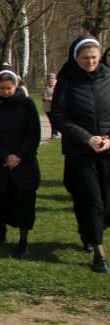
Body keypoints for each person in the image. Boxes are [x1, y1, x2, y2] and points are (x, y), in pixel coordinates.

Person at [50, 36, 110, 273]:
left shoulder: (108, 77)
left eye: (94, 57)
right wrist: (87, 138)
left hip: (107, 150)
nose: (90, 62)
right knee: (92, 200)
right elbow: (58, 116)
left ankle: (88, 231)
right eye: (85, 58)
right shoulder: (67, 81)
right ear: (76, 58)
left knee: (106, 201)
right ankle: (99, 255)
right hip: (79, 151)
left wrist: (108, 139)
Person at [0, 66, 41, 258]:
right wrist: (3, 156)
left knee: (24, 202)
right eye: (2, 88)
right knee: (0, 199)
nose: (5, 92)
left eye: (9, 88)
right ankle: (2, 228)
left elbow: (33, 133)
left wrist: (18, 155)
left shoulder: (27, 104)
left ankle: (23, 241)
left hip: (23, 163)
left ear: (16, 87)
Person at [41, 73, 58, 139]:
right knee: (51, 120)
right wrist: (44, 98)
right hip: (47, 107)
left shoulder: (58, 86)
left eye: (52, 78)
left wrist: (51, 98)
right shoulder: (45, 87)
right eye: (49, 78)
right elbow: (41, 95)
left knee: (54, 120)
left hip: (55, 106)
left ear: (55, 79)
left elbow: (60, 96)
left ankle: (54, 133)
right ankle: (55, 132)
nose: (50, 80)